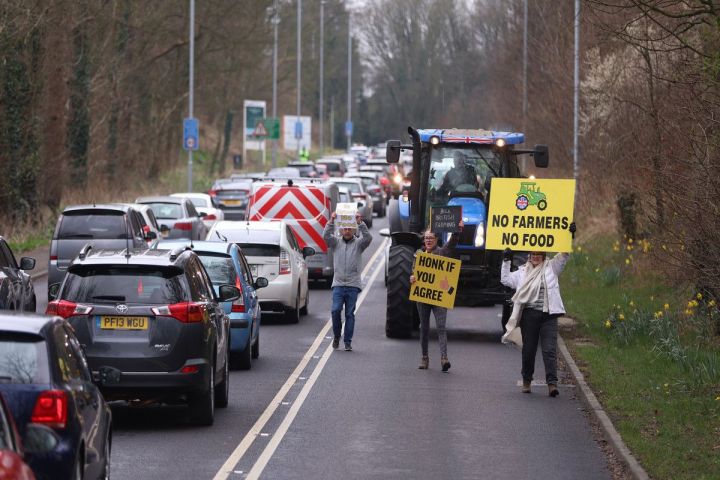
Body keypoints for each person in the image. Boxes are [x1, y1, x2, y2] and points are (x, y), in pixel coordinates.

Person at [500, 222, 576, 397]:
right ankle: (527, 381)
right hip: (529, 316)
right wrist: (506, 260)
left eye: (539, 254)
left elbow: (564, 255)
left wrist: (569, 236)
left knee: (549, 349)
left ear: (544, 256)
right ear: (529, 256)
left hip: (548, 316)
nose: (535, 256)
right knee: (529, 350)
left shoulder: (552, 267)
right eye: (532, 254)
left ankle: (552, 384)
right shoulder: (522, 272)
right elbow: (505, 280)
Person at [409, 221, 463, 371]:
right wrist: (412, 278)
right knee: (424, 328)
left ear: (437, 239)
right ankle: (424, 358)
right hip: (422, 297)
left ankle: (444, 358)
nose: (428, 240)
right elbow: (413, 272)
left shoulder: (442, 251)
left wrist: (457, 231)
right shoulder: (418, 255)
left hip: (439, 297)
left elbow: (452, 243)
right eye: (426, 238)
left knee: (441, 327)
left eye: (431, 238)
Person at [322, 210, 373, 351]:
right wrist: (331, 221)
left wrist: (360, 222)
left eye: (350, 228)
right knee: (335, 310)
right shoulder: (336, 243)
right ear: (341, 229)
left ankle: (348, 341)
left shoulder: (359, 244)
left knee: (349, 314)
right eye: (345, 228)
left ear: (353, 229)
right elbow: (325, 235)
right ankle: (337, 335)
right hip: (338, 284)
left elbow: (368, 238)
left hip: (352, 285)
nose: (347, 231)